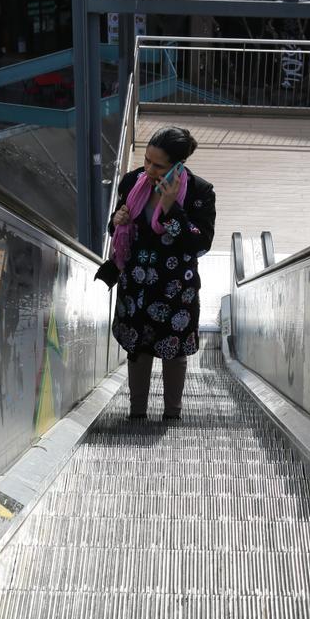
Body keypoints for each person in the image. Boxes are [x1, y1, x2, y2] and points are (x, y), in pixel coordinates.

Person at [97, 126, 216, 421]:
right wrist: (117, 219)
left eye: (158, 165)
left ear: (178, 165)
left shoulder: (200, 193)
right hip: (136, 283)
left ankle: (172, 417)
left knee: (174, 352)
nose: (148, 169)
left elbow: (200, 244)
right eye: (147, 160)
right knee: (138, 348)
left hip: (176, 288)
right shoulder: (132, 181)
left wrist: (171, 208)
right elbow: (117, 228)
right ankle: (136, 415)